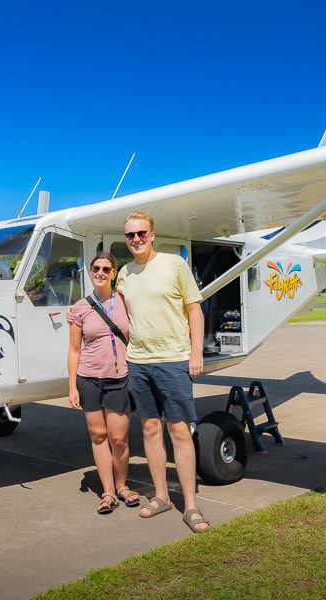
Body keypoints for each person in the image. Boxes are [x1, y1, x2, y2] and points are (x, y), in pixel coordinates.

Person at [116, 210, 209, 533]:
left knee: (179, 431)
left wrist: (196, 352)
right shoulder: (125, 274)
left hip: (173, 359)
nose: (136, 239)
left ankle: (191, 506)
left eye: (142, 233)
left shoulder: (174, 264)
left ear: (152, 235)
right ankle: (160, 497)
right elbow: (121, 314)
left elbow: (194, 310)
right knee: (150, 430)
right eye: (130, 235)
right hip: (139, 362)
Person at [68, 252, 140, 514]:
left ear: (113, 273)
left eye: (106, 269)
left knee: (119, 438)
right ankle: (108, 491)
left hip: (118, 378)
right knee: (98, 436)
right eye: (96, 268)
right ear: (90, 270)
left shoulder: (124, 301)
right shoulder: (79, 308)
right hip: (89, 378)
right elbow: (74, 349)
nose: (100, 272)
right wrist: (72, 385)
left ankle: (122, 485)